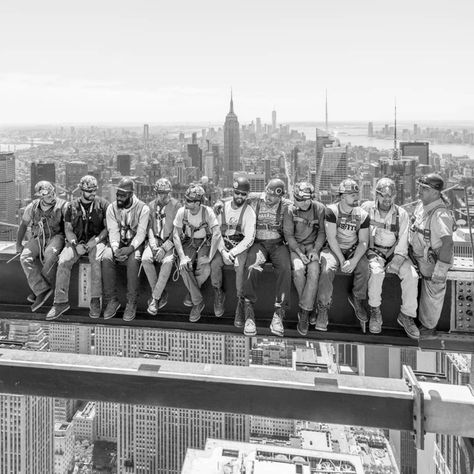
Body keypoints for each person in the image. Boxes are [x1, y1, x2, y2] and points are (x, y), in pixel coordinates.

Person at [361, 178, 419, 338]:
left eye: (390, 196)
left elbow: (403, 240)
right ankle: (375, 311)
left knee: (412, 276)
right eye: (383, 195)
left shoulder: (401, 214)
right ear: (376, 195)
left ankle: (407, 315)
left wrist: (397, 261)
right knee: (376, 273)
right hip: (374, 252)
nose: (387, 199)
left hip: (395, 253)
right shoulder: (366, 209)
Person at [46, 175, 109, 320]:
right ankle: (60, 302)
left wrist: (96, 240)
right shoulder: (71, 207)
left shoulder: (103, 205)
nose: (93, 193)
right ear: (82, 191)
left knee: (96, 259)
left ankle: (95, 300)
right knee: (63, 261)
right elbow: (68, 229)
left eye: (94, 190)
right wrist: (75, 244)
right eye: (89, 191)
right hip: (76, 241)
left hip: (96, 240)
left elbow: (106, 229)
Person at [315, 178, 370, 331]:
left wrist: (353, 261)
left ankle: (358, 298)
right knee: (327, 270)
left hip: (353, 249)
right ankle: (323, 308)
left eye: (356, 194)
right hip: (333, 249)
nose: (356, 197)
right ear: (343, 196)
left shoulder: (363, 215)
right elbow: (331, 238)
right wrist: (342, 260)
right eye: (352, 194)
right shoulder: (331, 211)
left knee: (365, 268)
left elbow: (363, 242)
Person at [241, 178, 292, 337]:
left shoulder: (286, 206)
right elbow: (238, 197)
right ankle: (248, 311)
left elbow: (303, 206)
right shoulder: (255, 199)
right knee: (252, 267)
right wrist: (221, 203)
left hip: (277, 244)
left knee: (285, 268)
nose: (270, 198)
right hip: (259, 243)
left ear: (281, 197)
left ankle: (279, 313)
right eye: (268, 194)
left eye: (274, 196)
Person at [408, 173, 454, 338]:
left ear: (435, 192)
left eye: (425, 189)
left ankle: (428, 329)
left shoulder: (440, 214)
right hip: (418, 258)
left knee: (432, 294)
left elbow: (448, 243)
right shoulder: (422, 205)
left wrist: (440, 271)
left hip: (432, 263)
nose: (420, 190)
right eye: (420, 186)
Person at [101, 178, 150, 322]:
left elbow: (141, 233)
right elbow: (113, 230)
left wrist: (130, 249)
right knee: (106, 257)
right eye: (118, 194)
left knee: (134, 261)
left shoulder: (143, 208)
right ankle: (111, 300)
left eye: (123, 195)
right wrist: (116, 249)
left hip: (134, 243)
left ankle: (131, 302)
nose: (119, 197)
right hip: (119, 242)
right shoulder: (112, 208)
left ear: (131, 194)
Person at [210, 176, 256, 325]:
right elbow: (215, 233)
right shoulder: (222, 208)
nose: (239, 197)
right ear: (233, 192)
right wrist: (223, 252)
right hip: (223, 243)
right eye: (237, 193)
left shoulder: (249, 212)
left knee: (239, 265)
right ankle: (218, 292)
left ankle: (240, 301)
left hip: (240, 245)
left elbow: (249, 238)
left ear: (247, 195)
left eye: (243, 194)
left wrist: (232, 253)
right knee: (215, 264)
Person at [173, 184, 221, 322]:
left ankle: (192, 293)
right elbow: (176, 235)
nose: (185, 203)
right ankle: (198, 301)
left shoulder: (207, 212)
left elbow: (217, 234)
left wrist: (210, 256)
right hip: (189, 241)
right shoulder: (183, 212)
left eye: (189, 201)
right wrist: (182, 257)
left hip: (205, 241)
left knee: (205, 268)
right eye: (185, 200)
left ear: (198, 203)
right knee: (183, 267)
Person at [16, 181, 67, 312]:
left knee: (50, 253)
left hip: (56, 236)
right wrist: (18, 244)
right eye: (47, 194)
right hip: (37, 237)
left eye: (52, 193)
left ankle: (40, 290)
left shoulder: (63, 206)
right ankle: (41, 288)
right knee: (25, 257)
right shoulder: (32, 207)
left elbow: (69, 227)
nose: (51, 196)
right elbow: (23, 224)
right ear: (40, 196)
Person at [283, 181, 326, 336]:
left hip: (313, 246)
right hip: (296, 247)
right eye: (296, 199)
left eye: (300, 199)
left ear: (309, 199)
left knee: (314, 271)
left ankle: (304, 313)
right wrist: (300, 254)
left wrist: (315, 250)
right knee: (299, 270)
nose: (297, 202)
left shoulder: (319, 209)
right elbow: (288, 235)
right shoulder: (290, 210)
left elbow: (322, 232)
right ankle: (308, 309)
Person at [142, 178, 181, 315]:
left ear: (170, 192)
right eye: (160, 193)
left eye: (165, 193)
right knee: (145, 259)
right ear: (156, 193)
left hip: (169, 242)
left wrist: (164, 248)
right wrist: (153, 246)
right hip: (155, 241)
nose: (163, 196)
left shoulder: (177, 206)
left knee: (168, 262)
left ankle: (154, 298)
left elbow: (177, 230)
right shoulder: (151, 205)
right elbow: (149, 227)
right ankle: (159, 293)